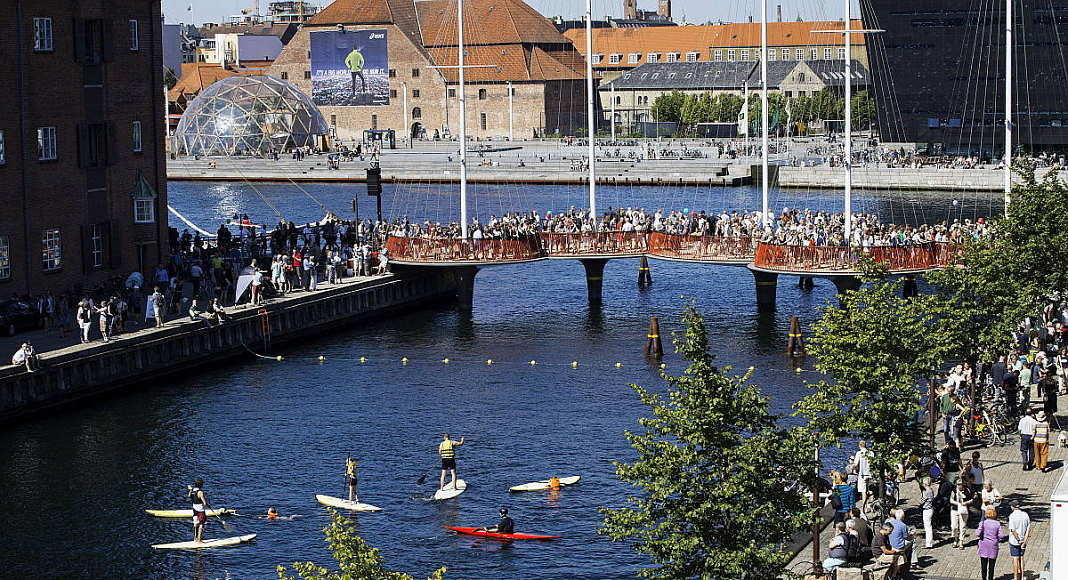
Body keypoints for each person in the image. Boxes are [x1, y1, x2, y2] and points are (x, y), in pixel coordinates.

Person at [976, 508, 1002, 580]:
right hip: (993, 545)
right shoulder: (997, 524)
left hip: (983, 545)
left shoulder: (982, 523)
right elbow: (1001, 535)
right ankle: (990, 578)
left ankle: (983, 578)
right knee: (992, 565)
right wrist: (997, 539)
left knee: (983, 564)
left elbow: (977, 534)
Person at [1007, 502, 1031, 580]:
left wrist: (1018, 540)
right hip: (1024, 541)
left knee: (1015, 558)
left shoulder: (1012, 516)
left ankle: (1015, 577)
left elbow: (1013, 530)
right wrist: (1024, 540)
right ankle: (1022, 576)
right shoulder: (1025, 515)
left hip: (1014, 541)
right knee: (1021, 558)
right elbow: (1028, 529)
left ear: (1012, 507)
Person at [950, 478, 974, 549]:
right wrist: (958, 503)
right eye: (958, 484)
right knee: (954, 526)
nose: (959, 486)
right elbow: (951, 500)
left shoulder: (967, 490)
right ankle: (955, 538)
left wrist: (966, 503)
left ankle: (961, 542)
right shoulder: (954, 490)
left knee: (962, 526)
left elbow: (972, 499)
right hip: (955, 510)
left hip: (964, 510)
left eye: (960, 484)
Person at [188, 479, 209, 543]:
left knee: (195, 524)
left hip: (194, 509)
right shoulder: (200, 492)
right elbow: (204, 503)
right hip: (200, 510)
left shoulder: (192, 491)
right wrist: (207, 504)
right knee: (201, 524)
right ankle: (199, 540)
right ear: (201, 485)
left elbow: (189, 496)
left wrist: (190, 490)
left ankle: (195, 538)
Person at [920, 478, 937, 548]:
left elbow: (921, 501)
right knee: (929, 526)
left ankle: (929, 544)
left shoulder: (926, 491)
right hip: (930, 509)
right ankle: (929, 543)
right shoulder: (931, 490)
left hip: (927, 510)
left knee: (927, 527)